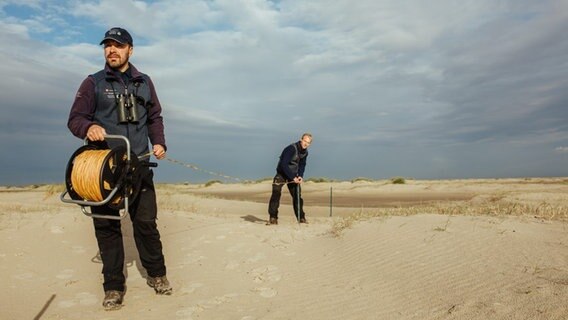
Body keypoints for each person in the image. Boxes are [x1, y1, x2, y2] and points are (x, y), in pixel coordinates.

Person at [67, 27, 171, 311]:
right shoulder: (92, 83)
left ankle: (157, 274)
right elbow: (75, 119)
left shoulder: (144, 82)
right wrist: (90, 127)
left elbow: (155, 117)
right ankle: (113, 287)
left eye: (118, 45)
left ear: (130, 50)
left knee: (146, 224)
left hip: (139, 165)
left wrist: (159, 142)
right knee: (107, 228)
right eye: (107, 46)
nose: (111, 50)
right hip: (103, 171)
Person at [267, 133, 313, 225]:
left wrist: (300, 176)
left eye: (308, 143)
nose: (305, 144)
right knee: (276, 194)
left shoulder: (305, 152)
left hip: (293, 175)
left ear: (310, 144)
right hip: (282, 174)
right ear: (301, 140)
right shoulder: (291, 148)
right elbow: (284, 164)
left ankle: (301, 218)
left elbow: (302, 165)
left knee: (297, 197)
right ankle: (273, 218)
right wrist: (292, 177)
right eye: (304, 141)